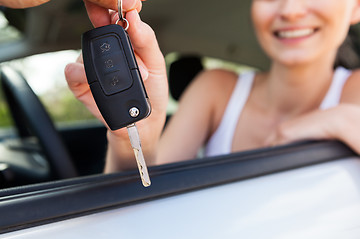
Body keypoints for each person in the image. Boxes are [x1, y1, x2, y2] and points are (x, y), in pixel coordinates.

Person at [65, 0, 360, 173]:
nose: (291, 10)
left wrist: (340, 120)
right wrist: (136, 136)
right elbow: (142, 203)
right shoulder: (216, 89)